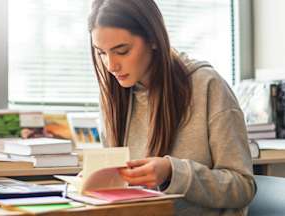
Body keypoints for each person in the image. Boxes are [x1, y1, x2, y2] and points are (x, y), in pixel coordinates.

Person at [88, 0, 256, 215]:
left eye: (122, 50)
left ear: (153, 39)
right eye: (101, 53)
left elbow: (242, 187)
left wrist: (172, 173)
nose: (110, 66)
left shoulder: (207, 86)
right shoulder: (113, 97)